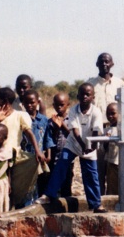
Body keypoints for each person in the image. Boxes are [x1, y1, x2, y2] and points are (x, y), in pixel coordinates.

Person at [39, 83, 106, 213]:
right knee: (61, 166)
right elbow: (74, 131)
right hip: (73, 144)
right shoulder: (74, 110)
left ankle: (96, 204)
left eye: (88, 94)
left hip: (90, 145)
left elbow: (97, 131)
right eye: (82, 94)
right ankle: (49, 195)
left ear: (93, 97)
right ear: (78, 96)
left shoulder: (96, 112)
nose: (85, 97)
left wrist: (90, 148)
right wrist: (83, 146)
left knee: (91, 175)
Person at [0, 87, 47, 209]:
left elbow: (29, 132)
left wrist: (37, 151)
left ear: (4, 101)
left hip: (15, 154)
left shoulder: (20, 115)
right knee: (3, 185)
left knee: (32, 167)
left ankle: (21, 202)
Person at [88, 52, 124, 194]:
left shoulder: (120, 84)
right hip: (98, 130)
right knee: (98, 171)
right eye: (101, 62)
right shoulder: (91, 84)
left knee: (113, 170)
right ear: (97, 64)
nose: (104, 64)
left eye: (107, 61)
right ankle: (98, 203)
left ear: (112, 64)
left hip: (116, 132)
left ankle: (112, 201)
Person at [20, 90, 53, 203]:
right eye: (26, 102)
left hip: (40, 157)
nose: (29, 105)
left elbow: (47, 138)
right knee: (28, 185)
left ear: (38, 102)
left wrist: (48, 154)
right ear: (22, 103)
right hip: (26, 157)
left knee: (40, 183)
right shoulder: (22, 118)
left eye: (32, 102)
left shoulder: (43, 119)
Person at [43, 93, 73, 198]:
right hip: (55, 157)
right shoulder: (51, 122)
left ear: (67, 105)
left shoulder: (71, 119)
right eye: (57, 105)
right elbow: (49, 139)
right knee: (54, 182)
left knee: (66, 183)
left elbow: (73, 136)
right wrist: (56, 128)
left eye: (62, 105)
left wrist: (62, 125)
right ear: (53, 105)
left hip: (68, 158)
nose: (59, 107)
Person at [104, 102, 120, 195]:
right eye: (108, 114)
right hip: (111, 163)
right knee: (112, 188)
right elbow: (105, 148)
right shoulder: (108, 129)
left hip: (121, 163)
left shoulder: (123, 128)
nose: (110, 116)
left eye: (113, 113)